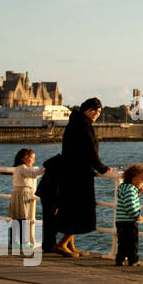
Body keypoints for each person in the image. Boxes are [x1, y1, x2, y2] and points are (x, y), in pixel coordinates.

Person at [54, 98, 112, 257]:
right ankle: (62, 244)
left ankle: (70, 245)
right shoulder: (83, 124)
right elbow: (89, 150)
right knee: (80, 209)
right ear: (85, 109)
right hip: (79, 174)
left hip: (70, 172)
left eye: (99, 111)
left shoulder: (76, 122)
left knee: (71, 209)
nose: (96, 114)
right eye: (93, 110)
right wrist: (103, 168)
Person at [115, 164, 143, 267]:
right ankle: (133, 260)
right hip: (129, 221)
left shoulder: (123, 188)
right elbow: (129, 205)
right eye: (142, 180)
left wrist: (138, 193)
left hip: (120, 220)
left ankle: (119, 260)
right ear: (134, 180)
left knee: (122, 242)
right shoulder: (130, 189)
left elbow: (126, 199)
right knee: (133, 242)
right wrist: (137, 216)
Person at [9, 148, 39, 253]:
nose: (33, 161)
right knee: (23, 218)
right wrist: (45, 169)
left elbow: (31, 173)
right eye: (31, 158)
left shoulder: (17, 168)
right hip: (23, 194)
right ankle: (24, 242)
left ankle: (12, 242)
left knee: (16, 218)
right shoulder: (22, 168)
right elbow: (33, 174)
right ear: (23, 159)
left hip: (17, 193)